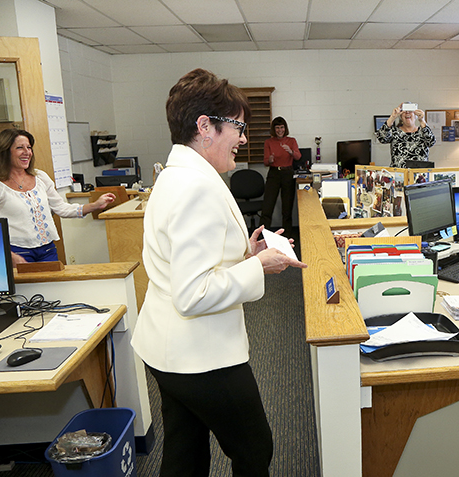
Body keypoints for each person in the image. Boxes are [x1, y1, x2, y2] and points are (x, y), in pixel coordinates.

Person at [130, 68, 307, 477]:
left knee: (185, 452)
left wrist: (247, 250)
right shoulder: (196, 187)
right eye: (239, 127)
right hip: (199, 354)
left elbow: (184, 259)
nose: (245, 138)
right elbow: (192, 294)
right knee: (254, 448)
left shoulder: (178, 177)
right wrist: (258, 265)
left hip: (166, 347)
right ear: (204, 126)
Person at [0, 128, 115, 265]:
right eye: (20, 148)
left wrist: (95, 205)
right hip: (16, 252)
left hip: (47, 250)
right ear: (4, 152)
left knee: (52, 286)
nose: (27, 152)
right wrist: (10, 257)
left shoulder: (40, 177)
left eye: (29, 147)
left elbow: (62, 208)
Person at [260, 117, 300, 236]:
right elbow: (266, 162)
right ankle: (263, 236)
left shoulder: (291, 141)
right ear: (274, 129)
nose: (280, 130)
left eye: (282, 127)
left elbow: (298, 156)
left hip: (288, 173)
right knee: (268, 206)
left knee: (287, 208)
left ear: (285, 128)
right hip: (274, 174)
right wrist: (270, 159)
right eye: (277, 128)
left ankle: (287, 237)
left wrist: (291, 152)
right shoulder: (269, 142)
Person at [376, 102, 436, 168]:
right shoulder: (395, 131)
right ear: (401, 116)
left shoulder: (423, 131)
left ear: (415, 114)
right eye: (405, 111)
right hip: (399, 175)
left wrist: (422, 121)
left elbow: (431, 142)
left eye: (410, 110)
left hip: (419, 175)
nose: (407, 112)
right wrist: (392, 117)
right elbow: (381, 138)